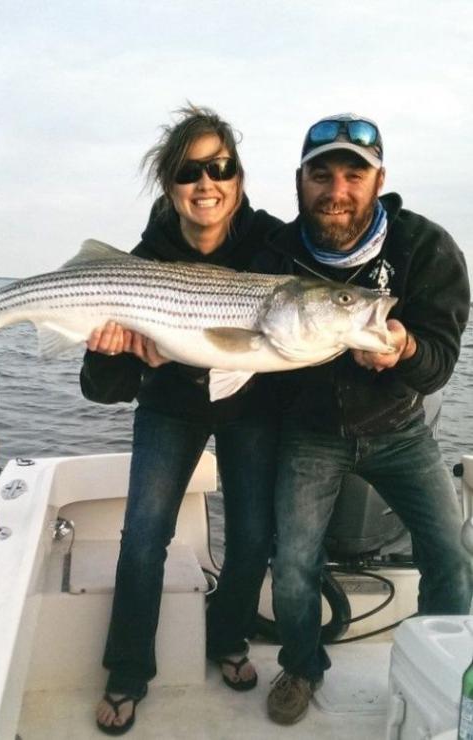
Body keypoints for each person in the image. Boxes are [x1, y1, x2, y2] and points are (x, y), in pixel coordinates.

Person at [255, 112, 472, 725]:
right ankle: (302, 664)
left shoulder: (424, 247)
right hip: (309, 434)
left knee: (449, 556)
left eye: (355, 172)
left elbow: (439, 363)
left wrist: (403, 350)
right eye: (321, 174)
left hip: (400, 428)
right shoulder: (275, 251)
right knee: (294, 563)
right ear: (300, 181)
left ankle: (438, 668)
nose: (337, 189)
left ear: (379, 179)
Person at [80, 105, 283, 735]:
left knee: (253, 536)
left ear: (239, 177)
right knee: (144, 536)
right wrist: (112, 349)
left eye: (220, 166)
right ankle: (128, 670)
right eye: (190, 172)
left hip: (251, 406)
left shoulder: (274, 243)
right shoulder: (143, 258)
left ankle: (226, 637)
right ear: (171, 187)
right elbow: (102, 388)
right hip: (171, 407)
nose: (206, 183)